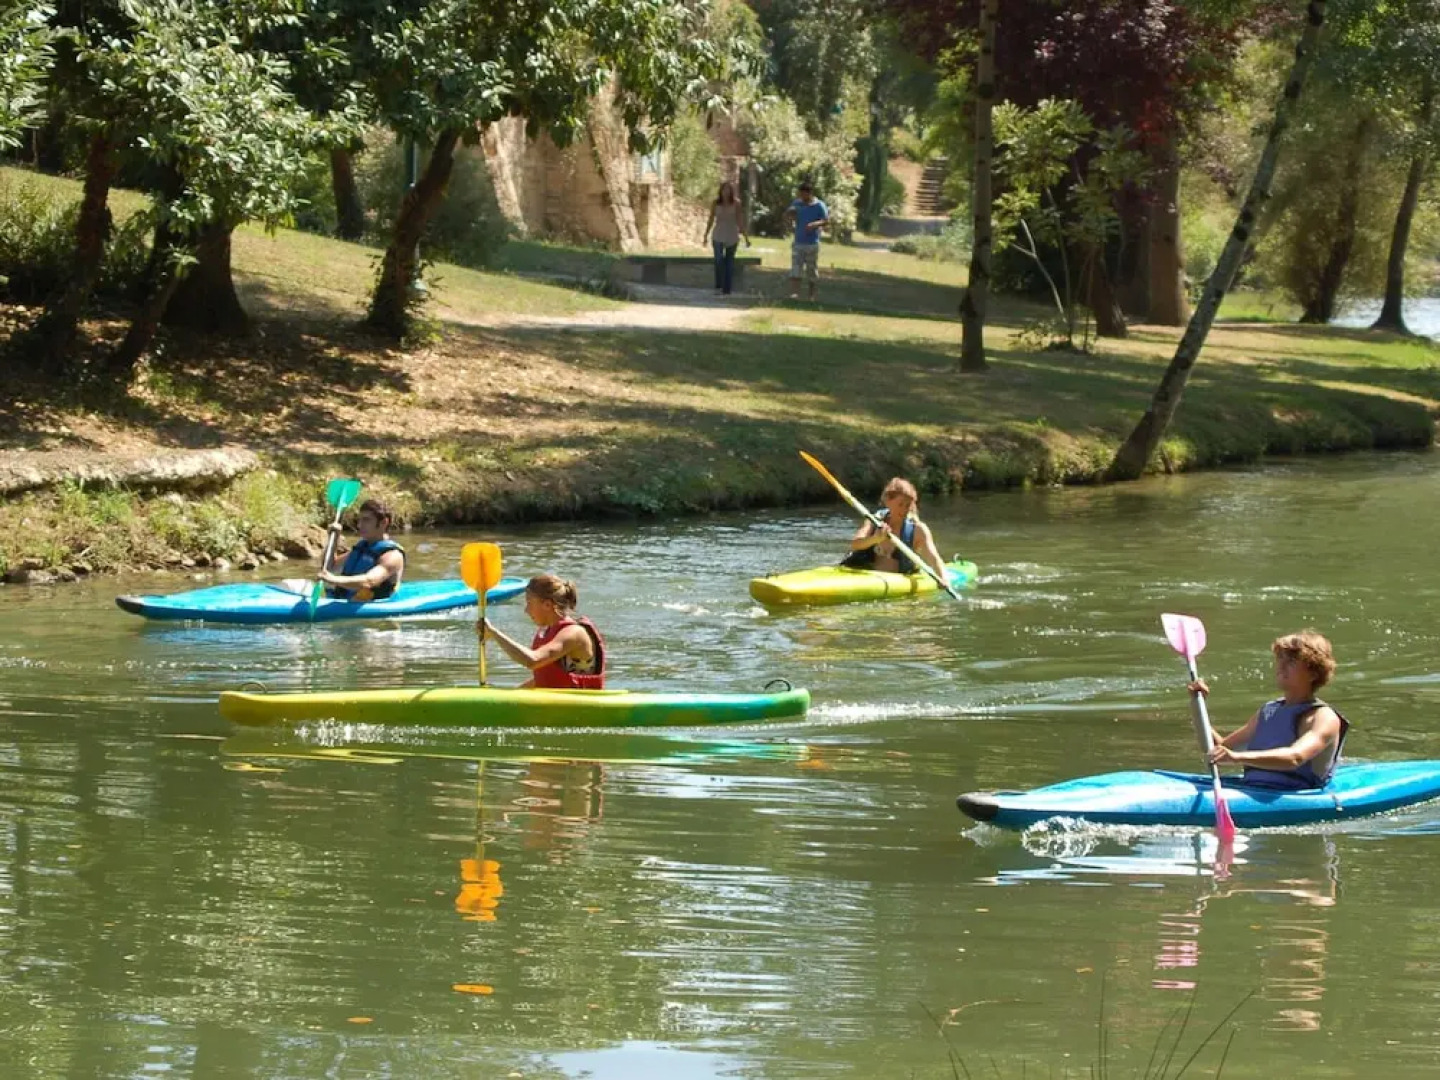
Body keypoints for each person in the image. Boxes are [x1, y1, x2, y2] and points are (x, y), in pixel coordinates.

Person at [1189, 631, 1349, 790]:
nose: (1281, 666)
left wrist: (1237, 758)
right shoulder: (1269, 711)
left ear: (1313, 673)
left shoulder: (1323, 717)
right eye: (1280, 658)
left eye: (1292, 661)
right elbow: (1219, 748)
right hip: (1254, 788)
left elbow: (1295, 757)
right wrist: (1197, 703)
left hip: (1295, 794)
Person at [479, 574, 606, 689]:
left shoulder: (574, 633)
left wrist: (493, 632)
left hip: (579, 708)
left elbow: (532, 661)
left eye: (529, 603)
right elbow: (545, 680)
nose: (526, 610)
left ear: (547, 605)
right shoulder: (548, 630)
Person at [840, 477, 948, 579]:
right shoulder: (874, 521)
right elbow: (855, 545)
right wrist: (875, 539)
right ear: (887, 501)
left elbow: (934, 559)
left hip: (900, 580)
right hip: (869, 576)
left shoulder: (918, 530)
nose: (904, 510)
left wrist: (943, 579)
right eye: (900, 504)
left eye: (907, 505)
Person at [319, 498, 405, 600]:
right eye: (359, 520)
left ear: (383, 522)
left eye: (366, 520)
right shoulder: (362, 547)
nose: (359, 525)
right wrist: (333, 539)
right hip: (347, 602)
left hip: (372, 608)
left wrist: (334, 579)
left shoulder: (392, 556)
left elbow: (369, 581)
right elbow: (330, 567)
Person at [782, 179, 829, 301]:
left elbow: (825, 220)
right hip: (798, 241)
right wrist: (789, 220)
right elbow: (789, 214)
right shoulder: (797, 203)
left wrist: (814, 224)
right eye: (800, 194)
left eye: (804, 194)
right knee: (796, 268)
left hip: (812, 242)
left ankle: (811, 295)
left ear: (810, 193)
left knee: (811, 270)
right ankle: (795, 293)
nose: (801, 197)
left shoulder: (819, 205)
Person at [702, 181, 750, 296]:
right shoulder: (715, 203)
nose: (726, 192)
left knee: (729, 262)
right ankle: (718, 286)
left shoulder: (736, 203)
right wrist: (705, 235)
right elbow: (711, 219)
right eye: (724, 189)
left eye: (728, 189)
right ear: (721, 191)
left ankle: (727, 289)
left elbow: (740, 221)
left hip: (732, 234)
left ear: (731, 191)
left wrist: (746, 237)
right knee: (718, 260)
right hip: (718, 234)